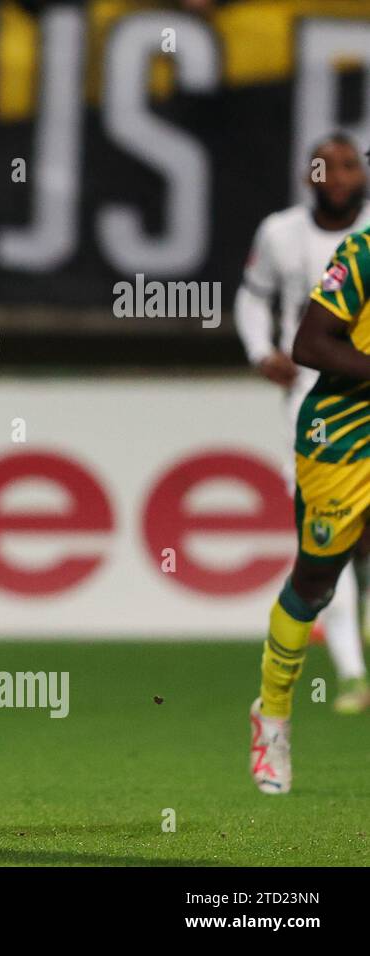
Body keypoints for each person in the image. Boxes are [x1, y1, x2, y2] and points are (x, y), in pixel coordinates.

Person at [235, 132, 370, 715]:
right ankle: (351, 673)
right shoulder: (280, 233)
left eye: (347, 166)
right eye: (325, 167)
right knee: (328, 544)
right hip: (314, 399)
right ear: (307, 177)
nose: (336, 177)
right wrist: (262, 352)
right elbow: (251, 296)